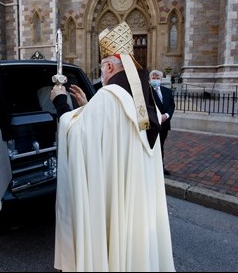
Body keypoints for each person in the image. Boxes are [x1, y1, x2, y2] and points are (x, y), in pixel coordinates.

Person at [52, 21, 175, 272]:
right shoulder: (143, 98)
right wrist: (88, 106)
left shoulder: (109, 98)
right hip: (138, 200)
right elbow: (114, 129)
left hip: (118, 196)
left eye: (102, 69)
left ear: (109, 66)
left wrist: (61, 103)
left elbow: (79, 137)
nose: (102, 75)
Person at [149, 70, 175, 176]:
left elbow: (171, 105)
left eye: (157, 78)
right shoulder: (147, 92)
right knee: (152, 146)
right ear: (150, 79)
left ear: (161, 79)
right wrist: (157, 117)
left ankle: (160, 166)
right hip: (153, 124)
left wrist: (167, 115)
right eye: (153, 78)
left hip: (164, 124)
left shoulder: (167, 91)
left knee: (161, 145)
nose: (155, 80)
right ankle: (151, 167)